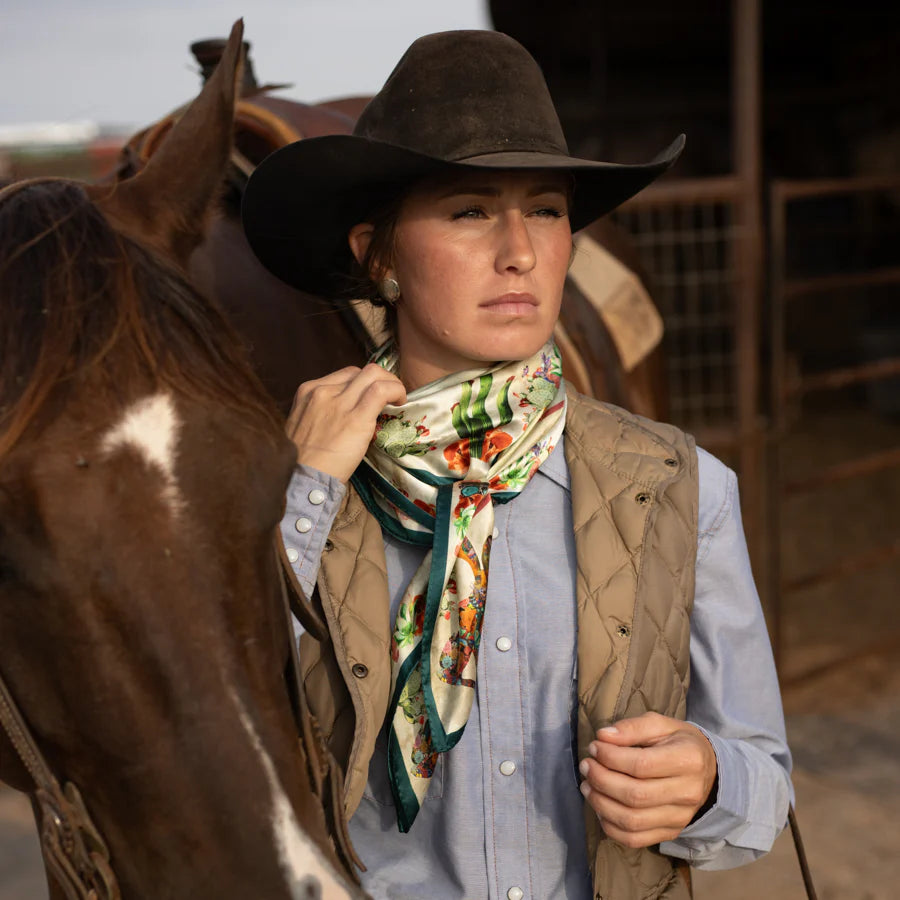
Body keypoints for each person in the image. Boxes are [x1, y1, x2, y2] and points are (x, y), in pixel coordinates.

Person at [241, 29, 792, 900]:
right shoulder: (289, 488)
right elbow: (210, 743)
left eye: (545, 210)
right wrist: (302, 494)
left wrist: (709, 782)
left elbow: (764, 778)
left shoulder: (680, 488)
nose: (521, 251)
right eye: (469, 211)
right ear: (377, 254)